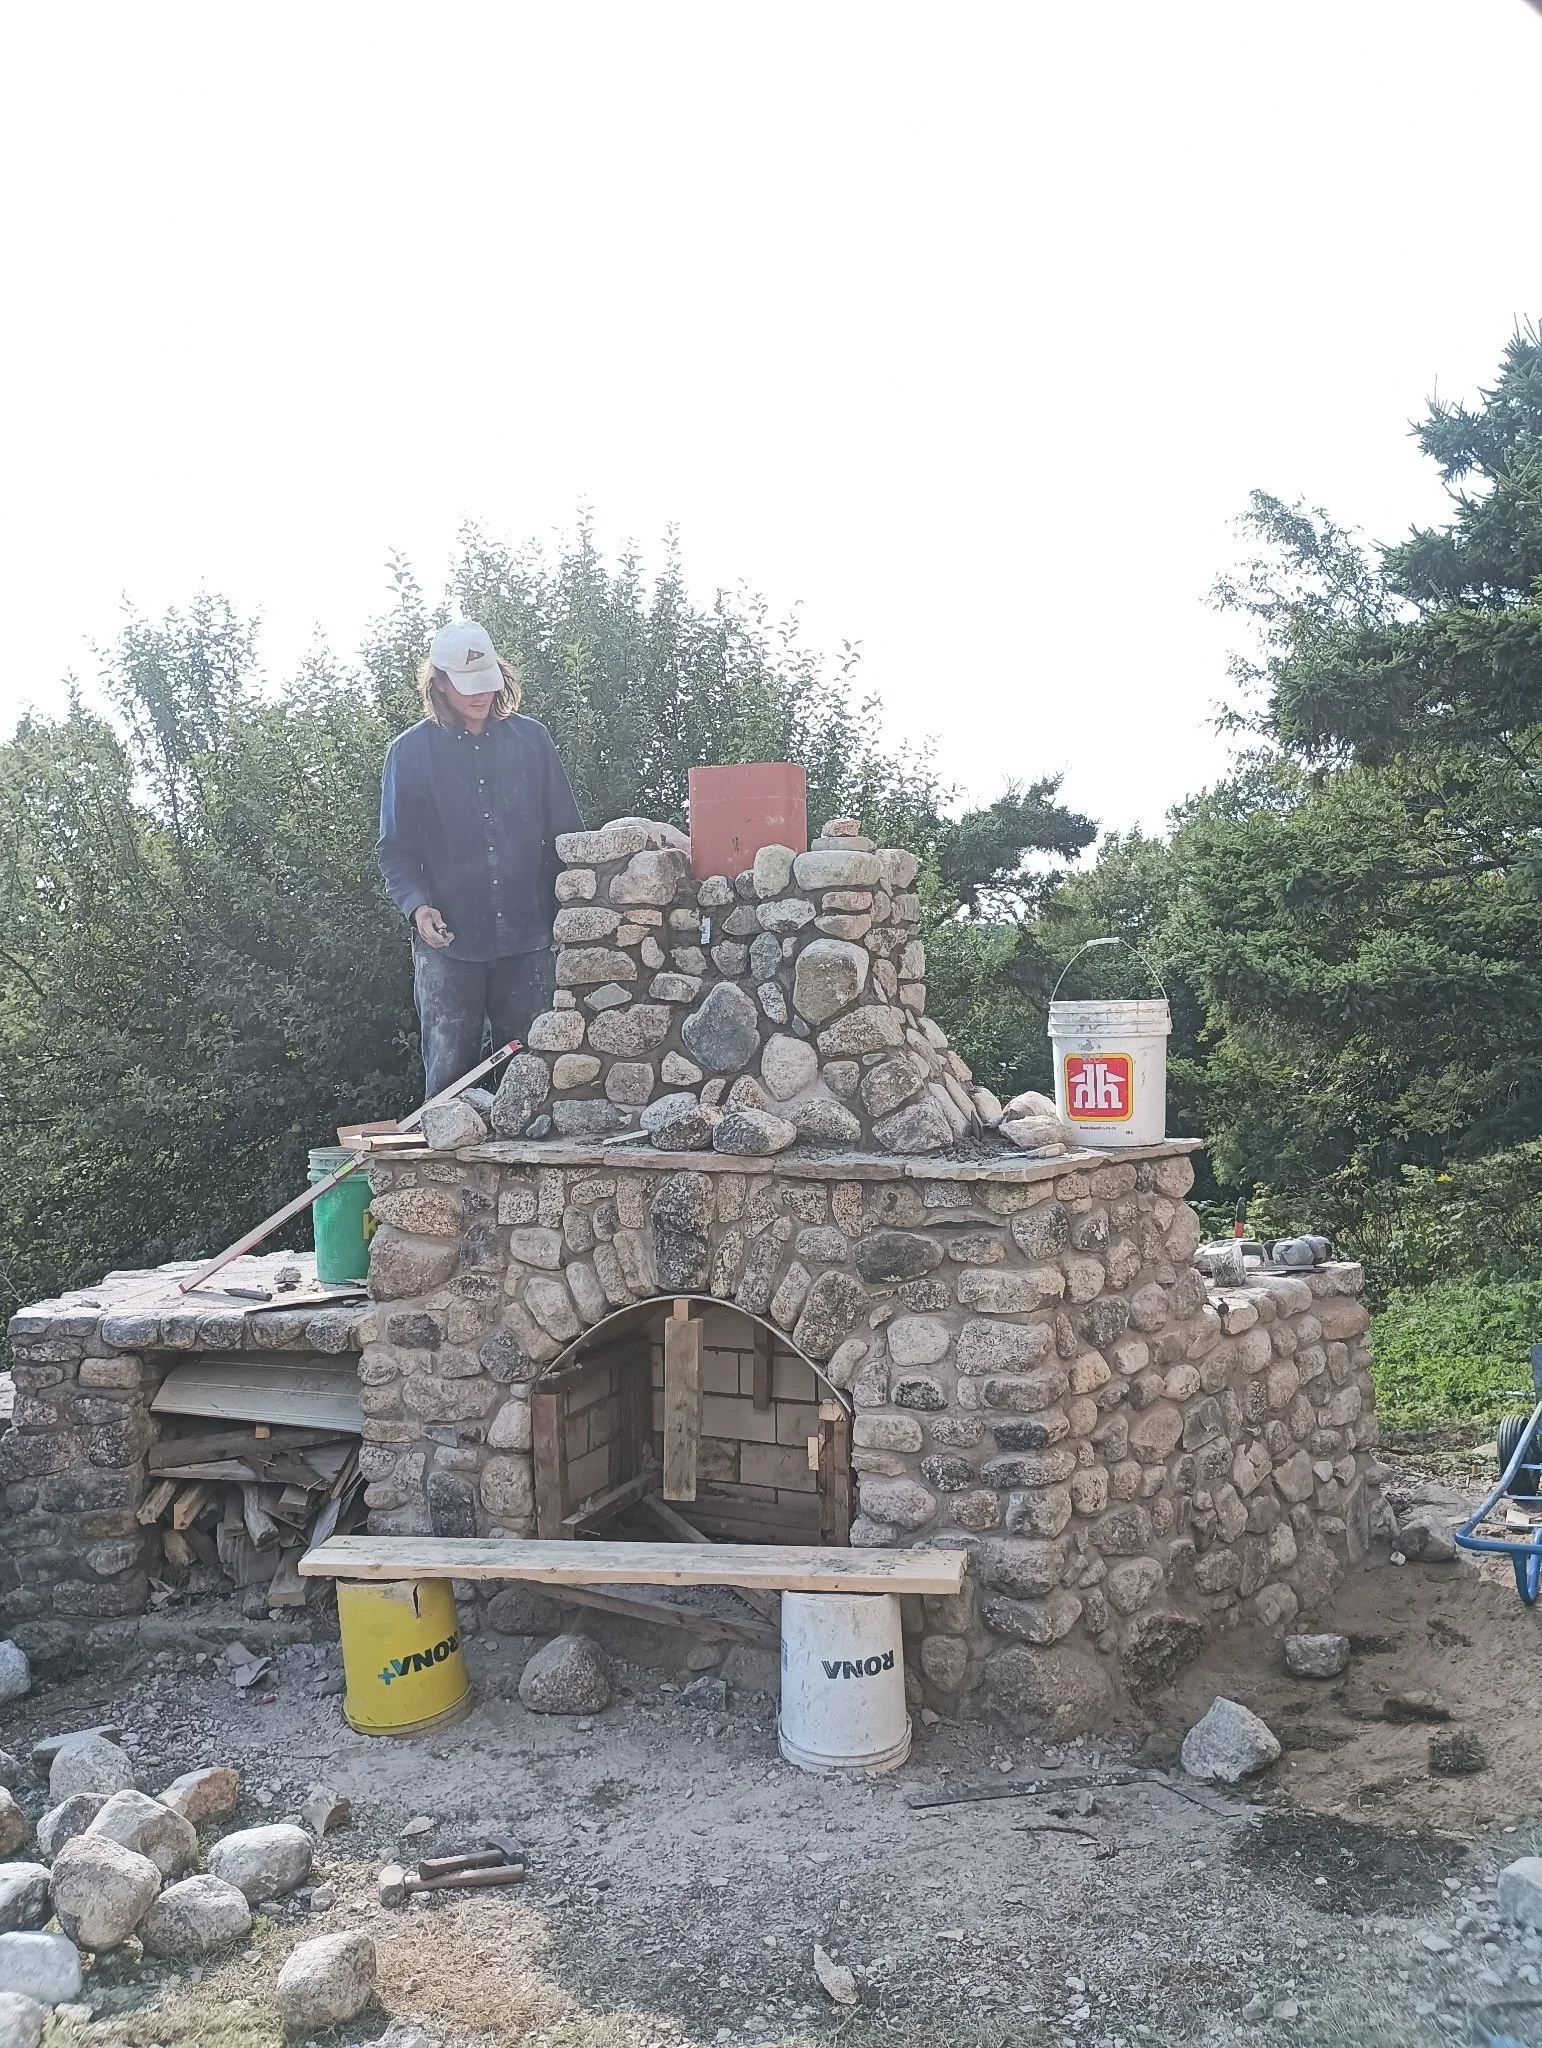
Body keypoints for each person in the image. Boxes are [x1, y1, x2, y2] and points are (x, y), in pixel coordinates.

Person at [377, 620, 584, 1098]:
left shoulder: (533, 742)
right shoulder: (408, 754)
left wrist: (570, 913)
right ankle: (450, 1177)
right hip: (449, 942)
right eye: (466, 685)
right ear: (440, 684)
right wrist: (416, 906)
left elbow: (567, 836)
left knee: (535, 1082)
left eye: (486, 682)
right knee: (450, 1086)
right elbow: (395, 850)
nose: (479, 695)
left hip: (530, 935)